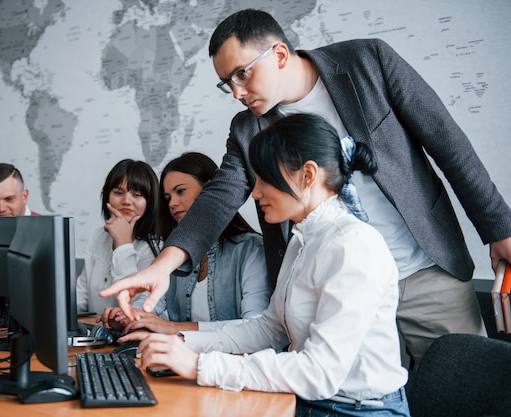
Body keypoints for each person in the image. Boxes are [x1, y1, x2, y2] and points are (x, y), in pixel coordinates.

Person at [102, 9, 511, 369]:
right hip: (335, 294)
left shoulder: (369, 61)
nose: (238, 92)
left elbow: (447, 141)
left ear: (279, 54)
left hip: (426, 270)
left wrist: (499, 228)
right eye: (227, 83)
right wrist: (161, 267)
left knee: (464, 387)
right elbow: (219, 197)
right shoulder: (247, 129)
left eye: (243, 73)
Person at [121, 113, 411, 417]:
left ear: (307, 175)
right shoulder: (302, 240)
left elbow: (318, 373)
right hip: (309, 403)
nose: (255, 193)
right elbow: (269, 328)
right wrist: (179, 342)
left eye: (263, 179)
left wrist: (199, 365)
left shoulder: (352, 246)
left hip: (355, 411)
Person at [103, 152, 270, 334]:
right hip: (183, 358)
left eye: (180, 191)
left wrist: (174, 328)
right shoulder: (172, 255)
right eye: (168, 198)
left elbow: (255, 327)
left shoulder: (251, 250)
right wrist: (127, 317)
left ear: (212, 191)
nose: (173, 203)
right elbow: (147, 307)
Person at [76, 159, 160, 314]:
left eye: (137, 194)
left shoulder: (158, 246)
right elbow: (80, 299)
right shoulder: (98, 235)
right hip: (97, 332)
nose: (127, 201)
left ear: (151, 201)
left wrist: (123, 244)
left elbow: (136, 309)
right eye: (118, 193)